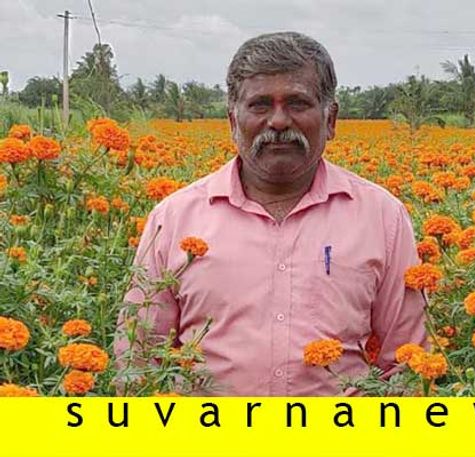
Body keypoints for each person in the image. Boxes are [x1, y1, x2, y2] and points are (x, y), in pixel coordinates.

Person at [114, 32, 428, 396]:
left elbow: (406, 362)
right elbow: (138, 358)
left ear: (331, 119)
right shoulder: (174, 217)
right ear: (233, 120)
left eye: (297, 103)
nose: (278, 121)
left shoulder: (382, 217)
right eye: (260, 105)